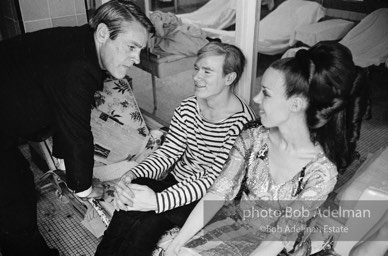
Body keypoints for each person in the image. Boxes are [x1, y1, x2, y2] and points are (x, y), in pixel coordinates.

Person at [164, 41, 368, 256]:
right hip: (237, 224)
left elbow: (275, 241)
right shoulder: (253, 137)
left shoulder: (321, 171)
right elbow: (217, 193)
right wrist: (178, 243)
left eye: (266, 93)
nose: (255, 99)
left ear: (295, 105)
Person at [0, 1, 154, 255]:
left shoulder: (80, 43)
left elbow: (63, 112)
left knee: (19, 179)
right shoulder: (77, 66)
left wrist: (67, 166)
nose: (136, 59)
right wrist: (84, 186)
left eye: (140, 50)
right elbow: (76, 131)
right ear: (103, 33)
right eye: (131, 47)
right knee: (13, 203)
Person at [95, 41, 256, 256]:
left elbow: (213, 181)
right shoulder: (188, 107)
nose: (197, 77)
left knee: (151, 217)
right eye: (197, 68)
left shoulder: (243, 125)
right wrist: (133, 173)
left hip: (208, 201)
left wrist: (159, 200)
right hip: (178, 182)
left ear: (229, 78)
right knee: (135, 190)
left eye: (207, 72)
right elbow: (168, 152)